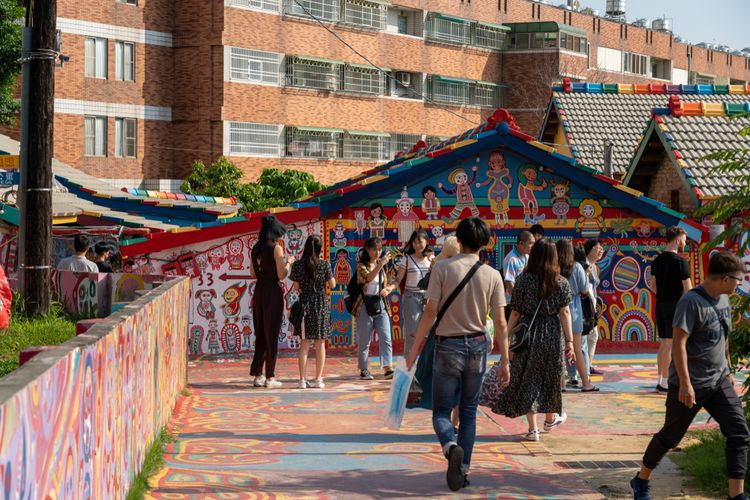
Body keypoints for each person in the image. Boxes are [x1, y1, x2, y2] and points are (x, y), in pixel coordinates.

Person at [631, 251, 748, 500]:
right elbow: (678, 344)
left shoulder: (724, 299)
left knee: (739, 432)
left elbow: (723, 337)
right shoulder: (691, 302)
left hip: (718, 382)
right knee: (670, 437)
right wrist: (685, 384)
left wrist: (727, 370)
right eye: (738, 279)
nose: (740, 284)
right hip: (689, 384)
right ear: (725, 278)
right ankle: (640, 480)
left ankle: (736, 495)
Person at [406, 218, 508, 491]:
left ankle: (451, 447)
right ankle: (462, 470)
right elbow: (500, 322)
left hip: (447, 345)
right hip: (477, 346)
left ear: (459, 241)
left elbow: (430, 312)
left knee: (441, 411)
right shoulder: (493, 275)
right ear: (484, 243)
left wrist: (414, 351)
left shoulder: (442, 268)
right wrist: (506, 360)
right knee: (469, 412)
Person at [490, 238, 575, 442]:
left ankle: (533, 428)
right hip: (553, 334)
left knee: (528, 378)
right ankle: (550, 419)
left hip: (527, 334)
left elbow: (516, 312)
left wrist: (504, 336)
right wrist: (570, 342)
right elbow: (565, 313)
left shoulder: (523, 279)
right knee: (551, 378)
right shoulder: (561, 281)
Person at [249, 215, 294, 389]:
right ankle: (270, 376)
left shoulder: (255, 248)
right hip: (273, 292)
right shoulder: (276, 249)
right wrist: (289, 262)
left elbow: (252, 274)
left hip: (259, 290)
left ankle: (258, 375)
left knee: (260, 332)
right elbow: (282, 274)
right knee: (271, 333)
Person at [290, 235, 335, 389]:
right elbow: (333, 284)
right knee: (320, 343)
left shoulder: (297, 264)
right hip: (321, 305)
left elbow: (296, 286)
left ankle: (302, 380)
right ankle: (318, 379)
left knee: (304, 344)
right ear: (320, 248)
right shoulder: (324, 264)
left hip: (304, 306)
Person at [651, 227, 692, 392]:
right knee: (670, 343)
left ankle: (661, 379)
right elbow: (689, 290)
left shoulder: (657, 261)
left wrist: (663, 293)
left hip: (660, 304)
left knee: (663, 343)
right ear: (676, 239)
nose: (684, 242)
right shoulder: (681, 262)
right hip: (675, 306)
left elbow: (652, 285)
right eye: (683, 239)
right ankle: (666, 382)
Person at [557, 239, 598, 392]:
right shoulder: (577, 267)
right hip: (574, 308)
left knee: (560, 349)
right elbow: (584, 289)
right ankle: (586, 384)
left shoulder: (553, 268)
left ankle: (561, 384)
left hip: (557, 310)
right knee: (578, 348)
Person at [352, 237, 395, 380]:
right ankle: (364, 369)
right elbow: (368, 278)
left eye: (380, 249)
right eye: (374, 250)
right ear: (367, 250)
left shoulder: (383, 266)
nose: (377, 252)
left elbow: (392, 281)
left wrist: (388, 289)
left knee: (386, 337)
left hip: (380, 302)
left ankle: (388, 367)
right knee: (365, 339)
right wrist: (380, 264)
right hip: (364, 304)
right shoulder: (361, 265)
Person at [396, 229, 434, 356]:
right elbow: (398, 279)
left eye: (420, 242)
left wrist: (434, 263)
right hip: (411, 297)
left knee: (431, 332)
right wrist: (390, 287)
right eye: (414, 243)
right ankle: (409, 366)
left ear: (427, 242)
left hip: (429, 298)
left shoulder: (432, 259)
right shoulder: (406, 259)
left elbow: (437, 279)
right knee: (412, 332)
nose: (417, 245)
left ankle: (429, 364)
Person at [503, 230, 535, 319]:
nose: (533, 246)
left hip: (524, 304)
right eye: (530, 243)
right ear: (521, 243)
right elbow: (509, 284)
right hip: (513, 305)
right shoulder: (511, 259)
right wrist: (519, 302)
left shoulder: (527, 256)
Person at [583, 239, 604, 375]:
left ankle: (588, 365)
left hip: (592, 306)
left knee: (593, 335)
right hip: (584, 306)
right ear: (589, 250)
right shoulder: (583, 265)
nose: (600, 250)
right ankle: (581, 367)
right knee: (584, 336)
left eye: (601, 248)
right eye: (598, 248)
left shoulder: (595, 266)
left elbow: (594, 286)